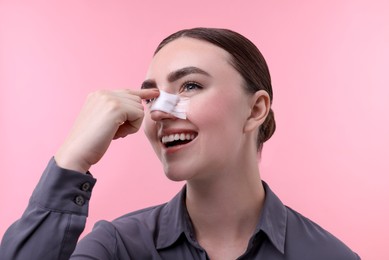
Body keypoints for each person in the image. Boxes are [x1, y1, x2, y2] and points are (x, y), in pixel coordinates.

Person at [0, 28, 360, 260]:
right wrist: (72, 159)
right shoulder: (118, 248)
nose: (158, 112)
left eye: (190, 86)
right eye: (153, 96)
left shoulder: (328, 255)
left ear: (255, 109)